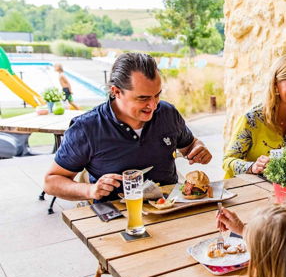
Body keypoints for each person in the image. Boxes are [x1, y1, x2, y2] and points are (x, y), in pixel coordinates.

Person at [44, 53, 212, 203]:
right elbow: (51, 181)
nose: (153, 105)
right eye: (143, 98)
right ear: (116, 91)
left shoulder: (167, 113)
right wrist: (90, 190)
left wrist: (198, 148)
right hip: (117, 219)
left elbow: (189, 145)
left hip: (170, 208)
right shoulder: (86, 128)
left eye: (157, 95)